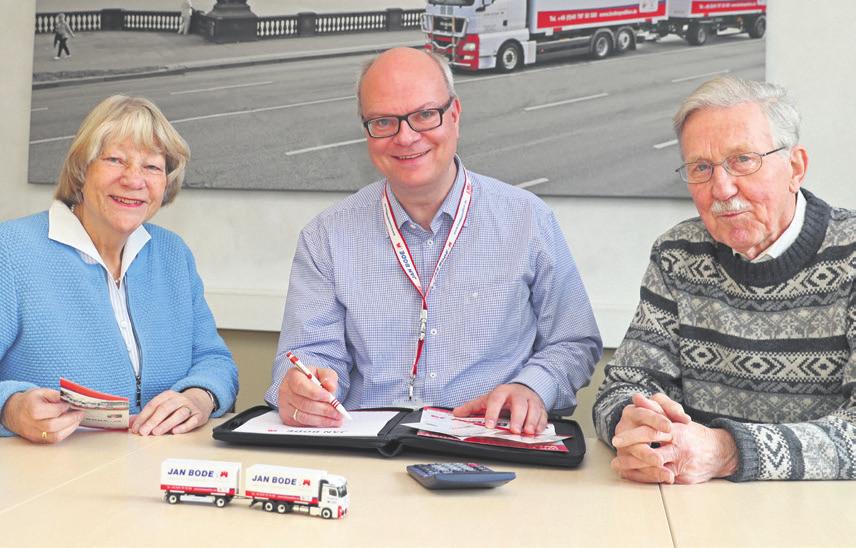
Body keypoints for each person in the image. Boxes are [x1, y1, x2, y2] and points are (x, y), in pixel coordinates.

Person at [266, 48, 602, 435]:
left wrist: (532, 388)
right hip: (368, 451)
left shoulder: (527, 220)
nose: (406, 137)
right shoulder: (326, 237)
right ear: (366, 130)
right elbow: (309, 355)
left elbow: (574, 341)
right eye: (384, 121)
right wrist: (303, 390)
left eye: (425, 115)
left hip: (491, 444)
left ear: (454, 115)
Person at [593, 75, 856, 483]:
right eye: (701, 167)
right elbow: (625, 382)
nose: (722, 187)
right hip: (694, 505)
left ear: (795, 167)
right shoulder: (678, 253)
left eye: (743, 160)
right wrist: (633, 424)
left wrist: (728, 451)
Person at [0, 95, 239, 444]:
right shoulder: (11, 249)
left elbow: (215, 361)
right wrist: (11, 407)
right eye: (115, 160)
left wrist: (199, 398)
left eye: (152, 167)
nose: (133, 179)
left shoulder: (172, 253)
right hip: (43, 476)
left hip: (160, 468)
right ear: (82, 169)